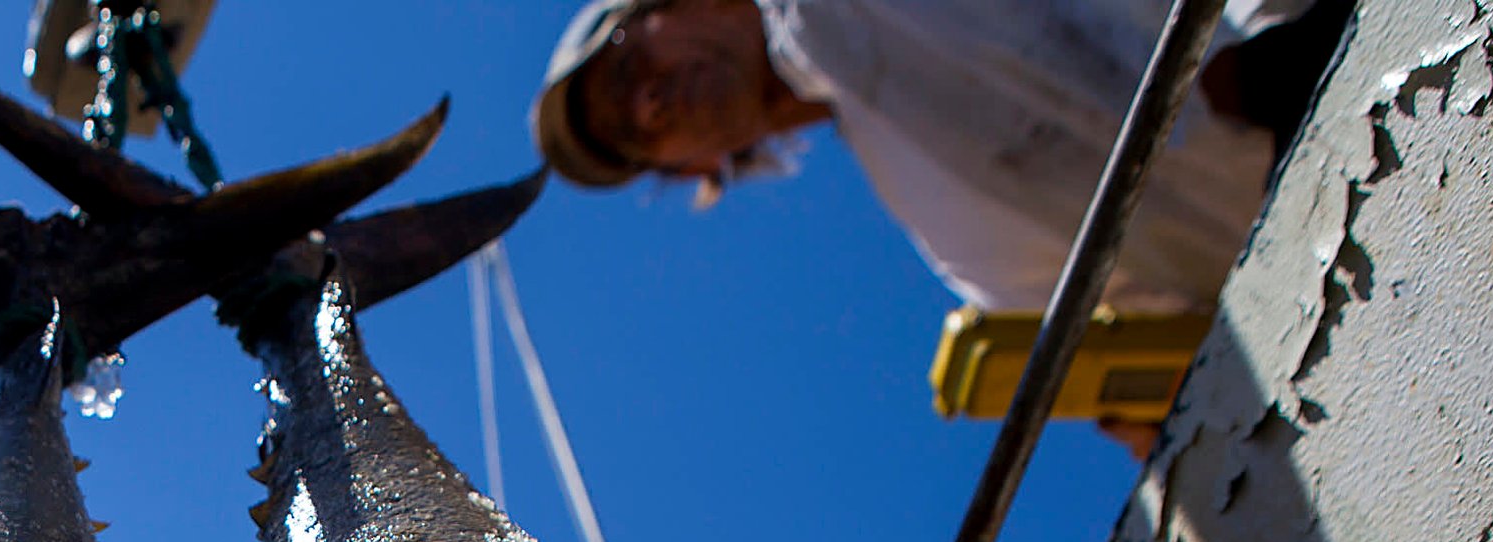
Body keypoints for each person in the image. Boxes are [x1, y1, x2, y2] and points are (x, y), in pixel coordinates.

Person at [532, 0, 1352, 320]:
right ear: (686, 171)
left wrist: (1275, 49)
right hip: (1347, 246)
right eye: (636, 138)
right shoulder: (942, 231)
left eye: (629, 67)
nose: (649, 105)